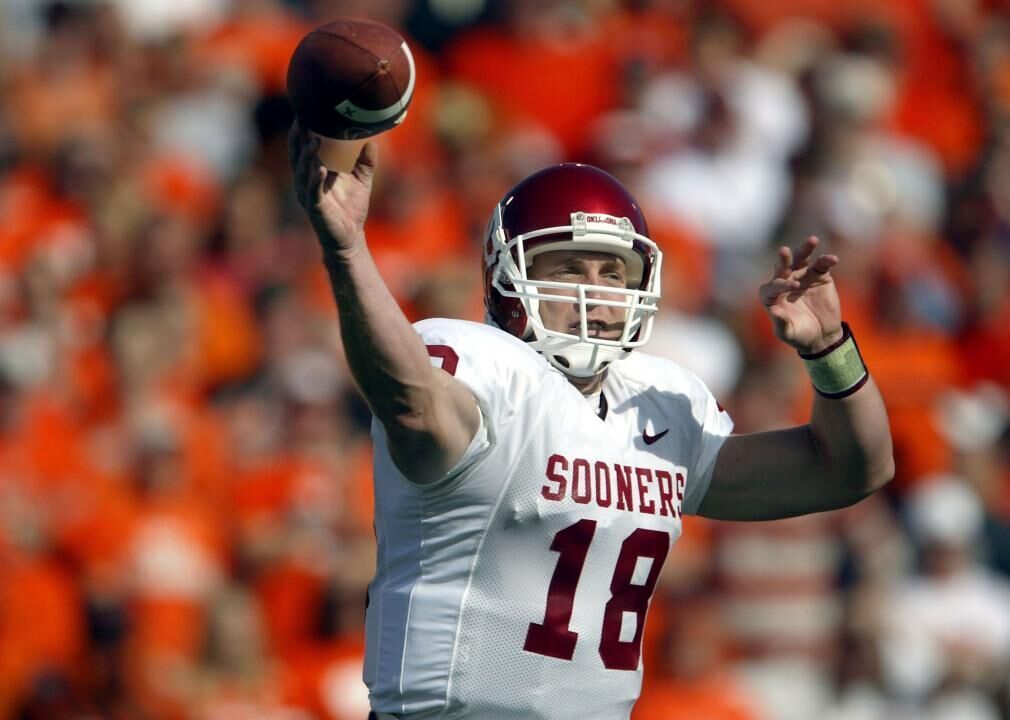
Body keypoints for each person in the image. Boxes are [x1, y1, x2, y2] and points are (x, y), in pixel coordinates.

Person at [287, 121, 894, 720]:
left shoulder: (659, 405)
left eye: (613, 272)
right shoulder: (486, 373)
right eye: (569, 268)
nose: (596, 292)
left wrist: (830, 351)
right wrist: (347, 250)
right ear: (508, 277)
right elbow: (413, 403)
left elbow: (847, 470)